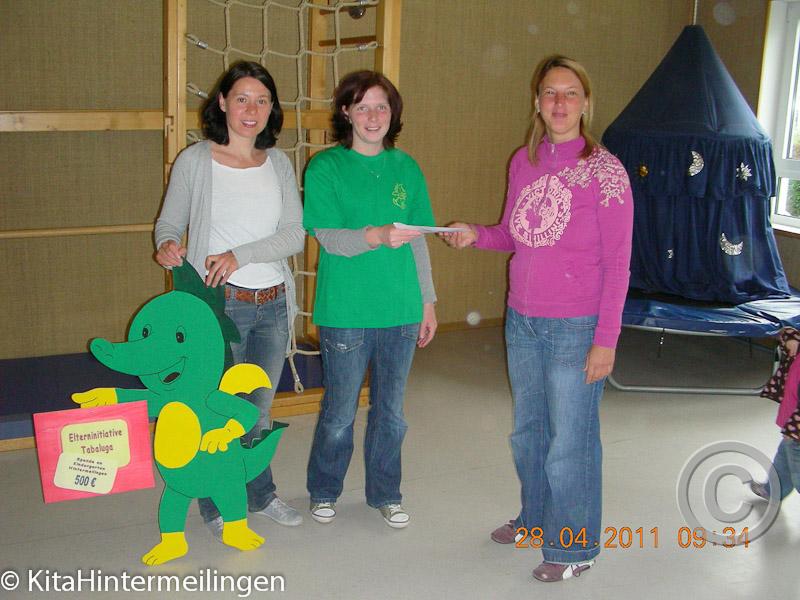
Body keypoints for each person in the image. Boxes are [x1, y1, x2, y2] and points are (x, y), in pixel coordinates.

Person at [442, 55, 633, 582]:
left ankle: (574, 546)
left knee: (570, 442)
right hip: (522, 321)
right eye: (551, 92)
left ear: (586, 103)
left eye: (571, 93)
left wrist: (606, 339)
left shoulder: (605, 171)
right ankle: (535, 519)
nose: (560, 102)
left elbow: (619, 262)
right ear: (537, 102)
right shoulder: (523, 161)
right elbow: (515, 233)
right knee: (529, 433)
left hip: (577, 326)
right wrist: (475, 234)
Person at [154, 60, 305, 538]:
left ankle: (260, 494)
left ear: (271, 109)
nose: (251, 109)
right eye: (242, 98)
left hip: (273, 304)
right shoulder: (195, 160)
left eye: (262, 100)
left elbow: (294, 234)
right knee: (216, 410)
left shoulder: (278, 163)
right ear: (222, 102)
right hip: (219, 306)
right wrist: (167, 245)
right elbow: (169, 224)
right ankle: (215, 502)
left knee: (257, 410)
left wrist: (241, 255)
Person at [303, 70, 437, 529]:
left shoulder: (407, 168)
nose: (373, 116)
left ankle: (386, 493)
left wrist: (428, 302)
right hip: (346, 311)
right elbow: (329, 237)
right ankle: (325, 490)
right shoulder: (325, 167)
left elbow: (418, 240)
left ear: (393, 113)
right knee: (340, 412)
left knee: (391, 414)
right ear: (346, 112)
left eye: (382, 106)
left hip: (402, 310)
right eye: (363, 107)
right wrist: (376, 235)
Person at [751, 328, 800, 501]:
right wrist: (791, 338)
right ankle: (773, 490)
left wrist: (794, 430)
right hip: (792, 423)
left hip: (796, 429)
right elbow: (784, 330)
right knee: (784, 458)